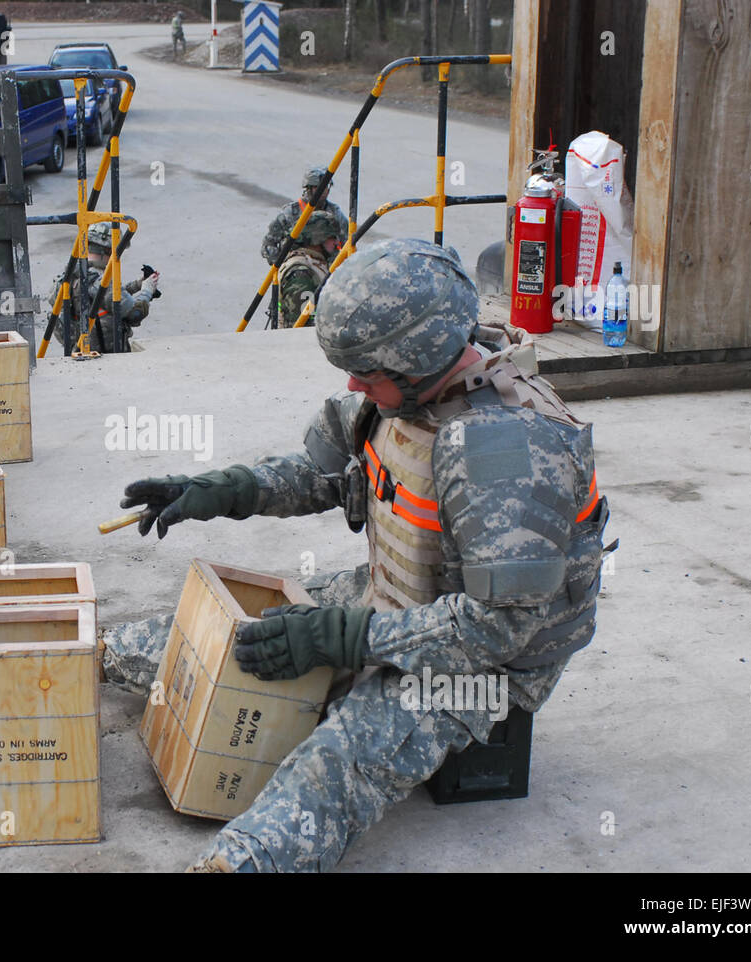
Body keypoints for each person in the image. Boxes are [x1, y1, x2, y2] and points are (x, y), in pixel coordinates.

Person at [109, 238, 611, 872]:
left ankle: (239, 864)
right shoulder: (404, 394)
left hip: (485, 664)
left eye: (366, 372)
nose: (352, 385)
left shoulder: (505, 455)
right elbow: (322, 473)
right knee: (239, 629)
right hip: (397, 598)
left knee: (341, 756)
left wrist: (345, 640)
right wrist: (220, 491)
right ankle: (96, 655)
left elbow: (499, 630)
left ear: (416, 356)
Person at [49, 221, 159, 354]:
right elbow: (135, 313)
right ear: (108, 250)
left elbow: (103, 299)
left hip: (79, 351)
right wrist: (147, 291)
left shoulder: (72, 275)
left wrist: (137, 285)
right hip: (107, 356)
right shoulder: (100, 280)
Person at [261, 167, 348, 328]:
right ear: (308, 189)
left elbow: (346, 245)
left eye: (326, 187)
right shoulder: (291, 214)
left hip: (326, 273)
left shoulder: (335, 214)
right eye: (318, 187)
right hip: (300, 272)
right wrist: (286, 265)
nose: (323, 192)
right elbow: (268, 246)